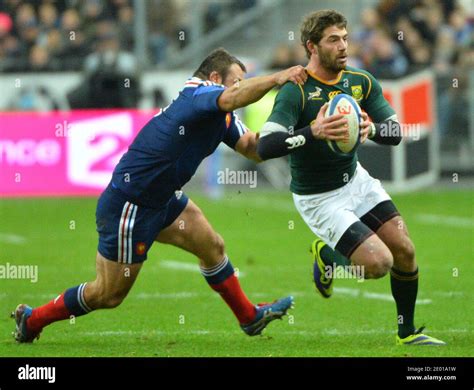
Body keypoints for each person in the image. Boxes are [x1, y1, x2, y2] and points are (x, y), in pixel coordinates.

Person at [13, 48, 307, 342]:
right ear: (215, 78)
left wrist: (308, 133)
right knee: (108, 294)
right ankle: (33, 319)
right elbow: (232, 97)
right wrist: (278, 77)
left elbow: (253, 149)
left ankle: (249, 317)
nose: (241, 88)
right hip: (132, 204)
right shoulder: (198, 92)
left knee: (212, 247)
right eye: (237, 81)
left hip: (164, 199)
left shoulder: (222, 115)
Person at [256, 10, 445, 346]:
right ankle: (327, 256)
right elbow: (266, 145)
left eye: (345, 38)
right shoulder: (295, 91)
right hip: (319, 198)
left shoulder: (360, 81)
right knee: (377, 265)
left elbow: (395, 132)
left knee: (404, 251)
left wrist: (371, 128)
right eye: (333, 40)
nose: (343, 46)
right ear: (312, 46)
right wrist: (311, 132)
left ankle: (407, 333)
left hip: (357, 181)